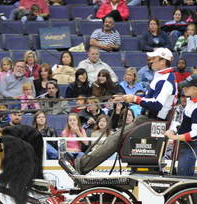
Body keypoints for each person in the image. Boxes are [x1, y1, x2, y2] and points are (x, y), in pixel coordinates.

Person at [72, 47, 177, 175]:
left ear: (163, 61)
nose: (151, 61)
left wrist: (134, 98)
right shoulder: (162, 76)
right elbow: (149, 99)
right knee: (113, 137)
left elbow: (157, 105)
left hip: (151, 120)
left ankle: (82, 166)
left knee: (114, 139)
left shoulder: (165, 80)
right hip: (148, 119)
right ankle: (83, 164)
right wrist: (125, 98)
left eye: (154, 59)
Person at [165, 75, 197, 176]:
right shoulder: (192, 101)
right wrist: (173, 130)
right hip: (186, 145)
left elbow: (196, 133)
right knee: (182, 176)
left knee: (184, 177)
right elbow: (182, 121)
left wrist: (175, 137)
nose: (184, 88)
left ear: (196, 89)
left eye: (187, 87)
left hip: (191, 146)